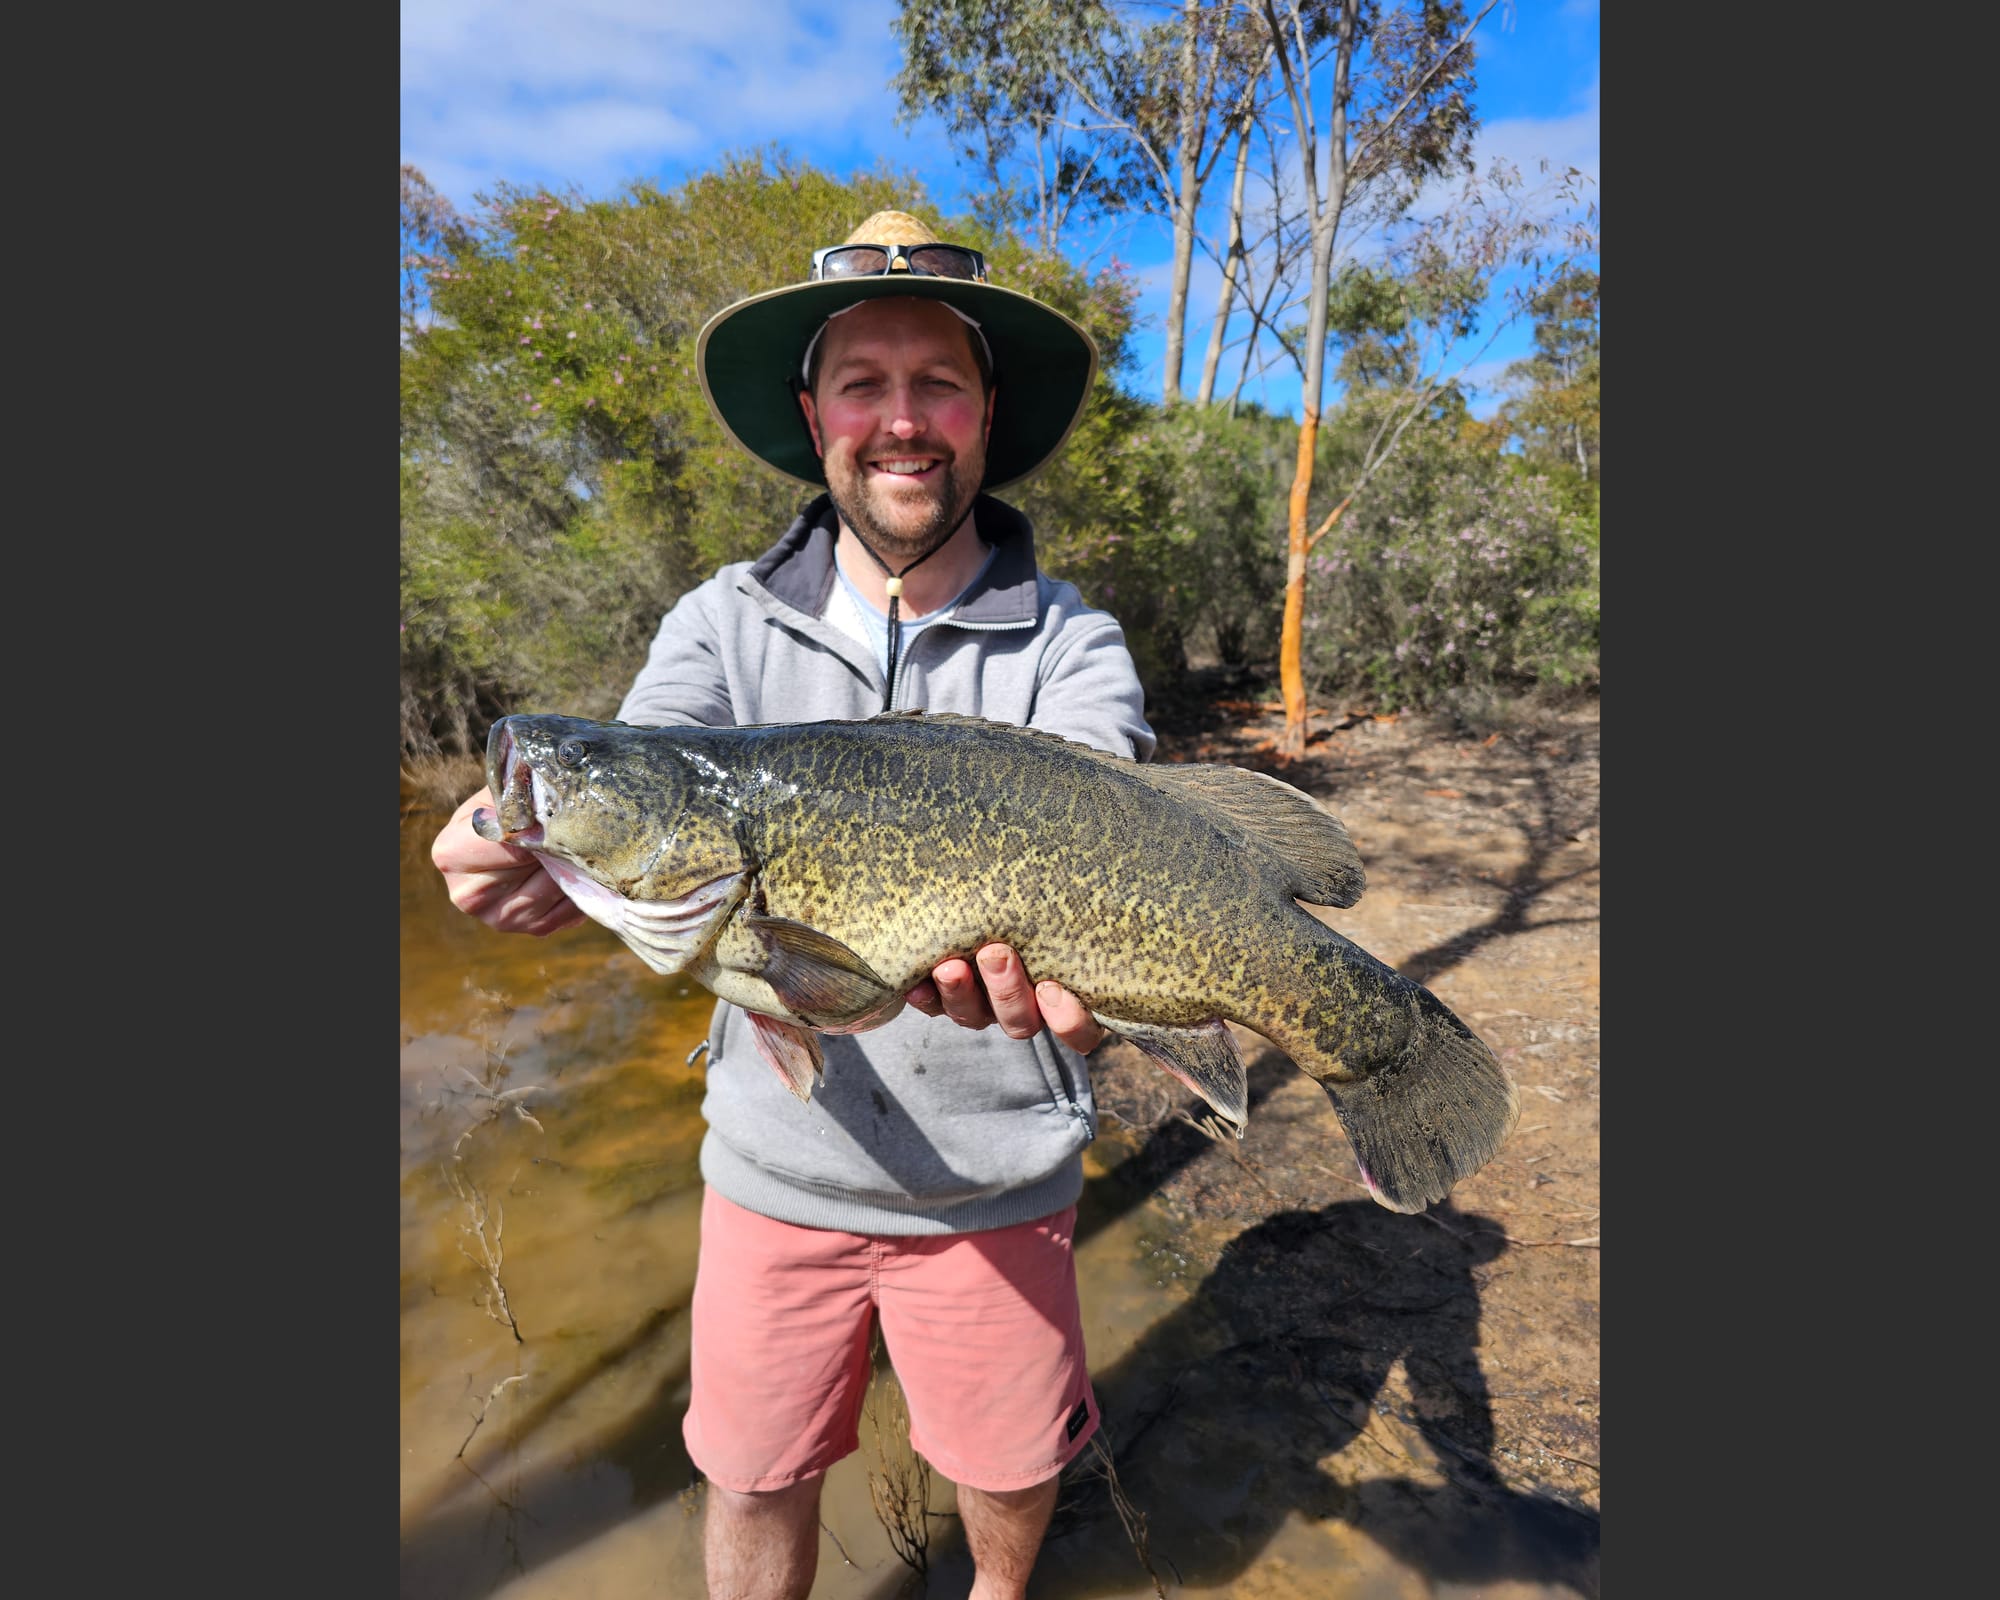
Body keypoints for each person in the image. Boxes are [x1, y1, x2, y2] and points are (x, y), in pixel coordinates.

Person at [431, 209, 1155, 1600]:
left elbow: (1104, 808)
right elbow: (641, 761)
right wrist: (495, 827)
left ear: (987, 411)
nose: (902, 420)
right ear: (813, 412)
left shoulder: (1074, 640)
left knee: (1005, 1467)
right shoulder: (720, 622)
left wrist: (1108, 996)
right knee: (753, 1477)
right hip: (772, 1180)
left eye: (936, 381)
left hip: (1000, 1188)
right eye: (864, 384)